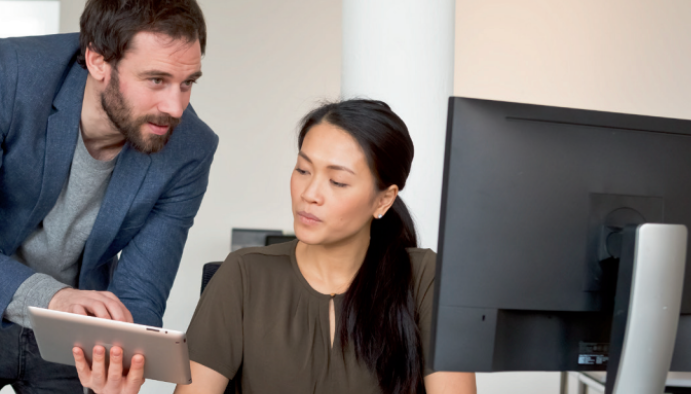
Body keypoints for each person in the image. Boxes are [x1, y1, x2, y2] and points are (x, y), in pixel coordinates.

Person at [73, 99, 476, 394]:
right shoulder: (245, 275)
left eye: (337, 182)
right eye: (302, 170)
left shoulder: (425, 278)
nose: (309, 193)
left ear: (383, 200)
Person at [0, 0, 218, 392]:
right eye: (156, 80)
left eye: (187, 83)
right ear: (98, 60)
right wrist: (52, 298)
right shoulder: (10, 76)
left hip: (73, 334)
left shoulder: (190, 149)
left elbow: (141, 289)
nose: (175, 107)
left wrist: (122, 358)